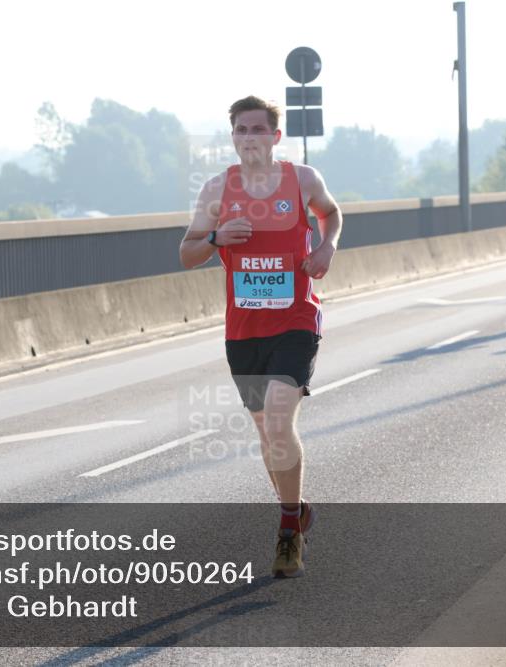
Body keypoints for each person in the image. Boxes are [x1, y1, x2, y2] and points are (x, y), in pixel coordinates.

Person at [179, 95, 342, 578]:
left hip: (294, 320)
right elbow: (186, 252)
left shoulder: (302, 180)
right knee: (265, 434)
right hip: (244, 332)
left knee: (276, 423)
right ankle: (297, 508)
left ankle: (288, 532)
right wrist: (214, 240)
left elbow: (330, 214)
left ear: (275, 137)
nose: (249, 138)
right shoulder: (216, 190)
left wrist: (326, 246)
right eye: (240, 130)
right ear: (233, 138)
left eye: (257, 129)